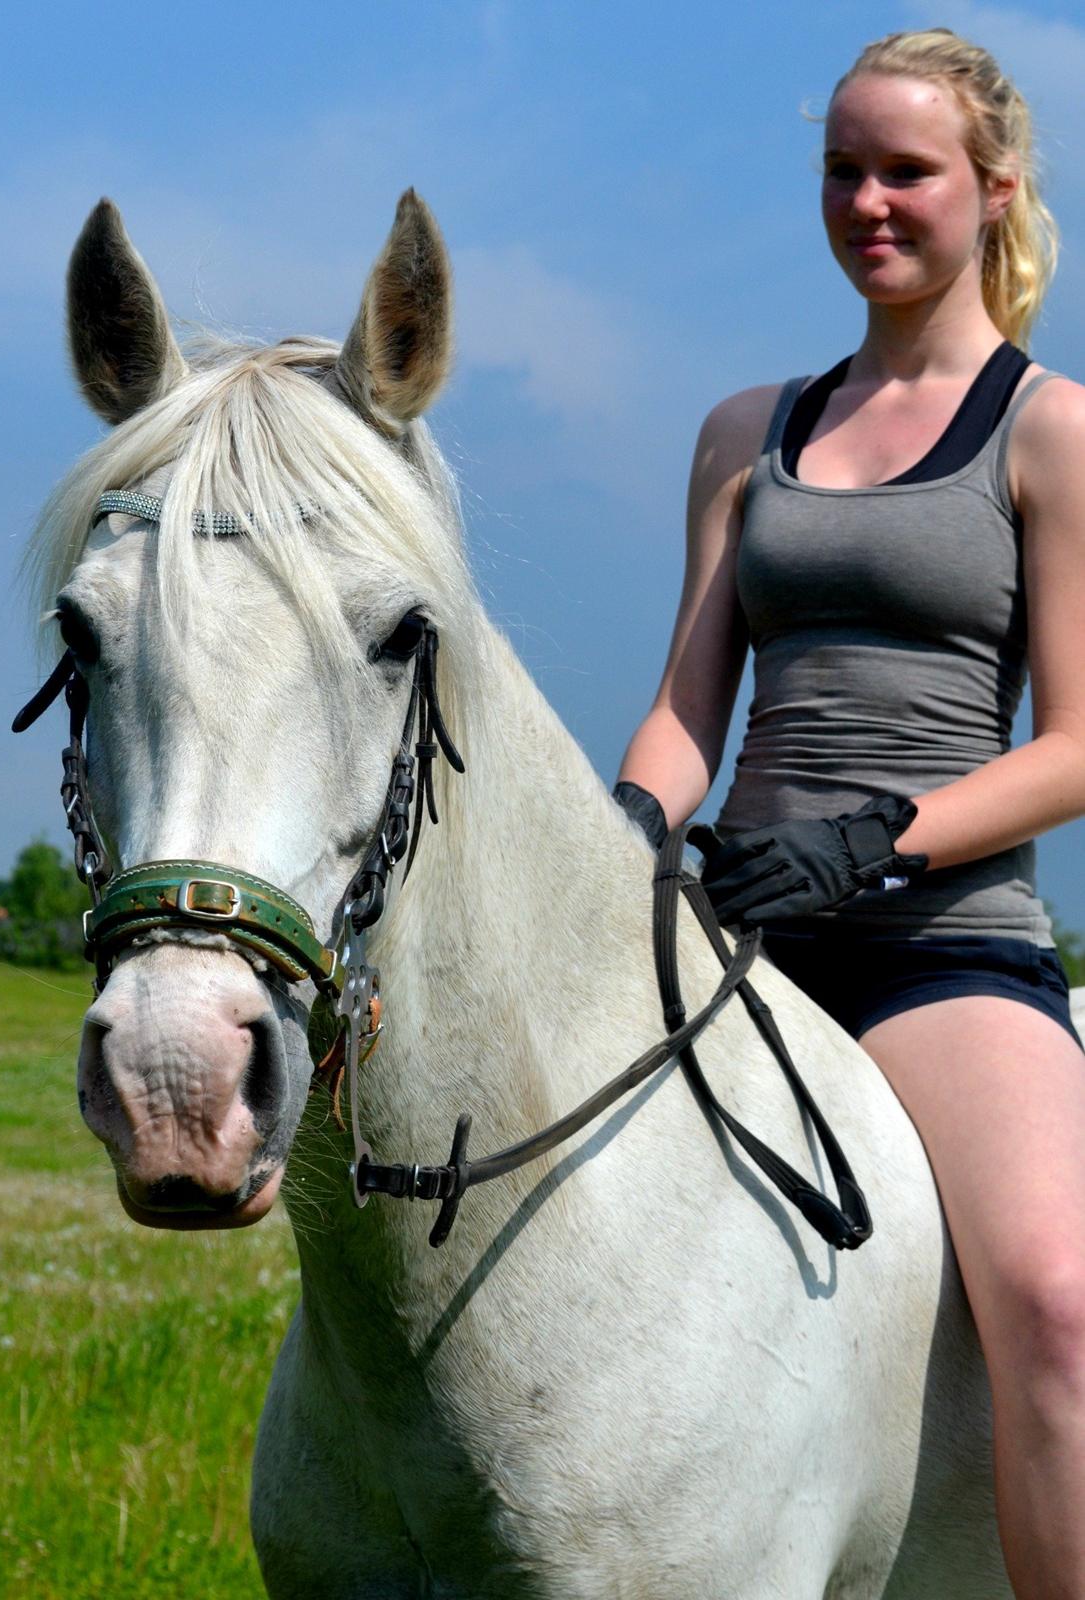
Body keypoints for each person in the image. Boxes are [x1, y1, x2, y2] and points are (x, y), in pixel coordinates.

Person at [615, 28, 1085, 1599]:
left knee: (1059, 1300)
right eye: (841, 170)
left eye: (906, 172)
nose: (867, 202)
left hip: (935, 944)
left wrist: (872, 835)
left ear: (990, 191)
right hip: (735, 923)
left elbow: (1079, 746)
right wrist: (628, 834)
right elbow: (692, 707)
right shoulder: (743, 431)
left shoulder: (1049, 429)